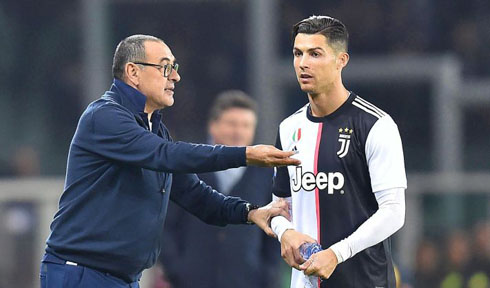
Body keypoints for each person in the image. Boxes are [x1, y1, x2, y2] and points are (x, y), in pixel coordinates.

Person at [40, 34, 300, 288]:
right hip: (83, 273)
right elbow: (167, 154)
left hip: (122, 278)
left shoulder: (154, 129)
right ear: (133, 72)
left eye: (174, 68)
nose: (176, 76)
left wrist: (250, 212)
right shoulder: (105, 117)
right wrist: (244, 155)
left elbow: (196, 196)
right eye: (165, 67)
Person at [270, 16, 407, 288]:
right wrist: (284, 232)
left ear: (341, 60)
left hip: (366, 281)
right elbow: (280, 206)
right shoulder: (288, 128)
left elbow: (393, 211)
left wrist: (336, 253)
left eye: (315, 54)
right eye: (298, 53)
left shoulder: (375, 125)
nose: (303, 63)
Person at [161, 91, 280, 288]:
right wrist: (175, 269)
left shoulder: (267, 175)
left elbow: (275, 231)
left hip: (247, 281)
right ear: (212, 125)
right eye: (232, 124)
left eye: (246, 125)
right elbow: (166, 225)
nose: (238, 132)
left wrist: (267, 274)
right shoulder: (189, 168)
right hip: (192, 281)